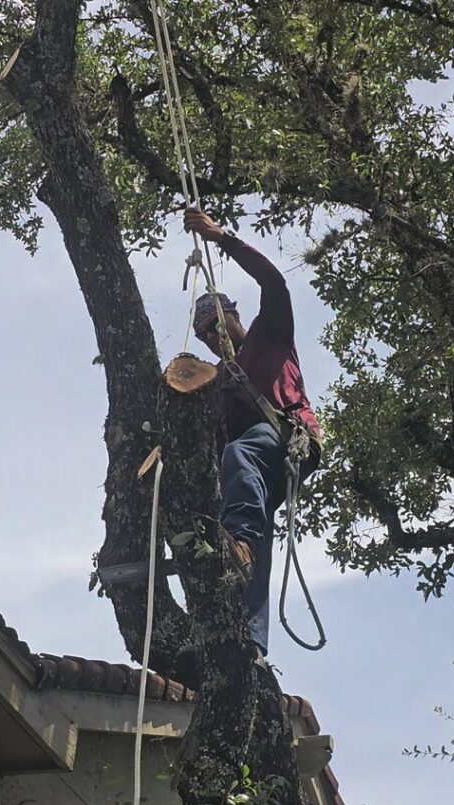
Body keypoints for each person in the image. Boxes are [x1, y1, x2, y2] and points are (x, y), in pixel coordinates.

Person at [176, 208, 322, 685]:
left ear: (234, 317)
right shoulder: (217, 386)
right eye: (205, 335)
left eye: (217, 325)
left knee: (240, 454)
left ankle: (236, 538)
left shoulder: (269, 335)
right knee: (251, 533)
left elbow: (274, 283)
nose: (214, 338)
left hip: (286, 440)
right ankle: (251, 643)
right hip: (254, 470)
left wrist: (222, 239)